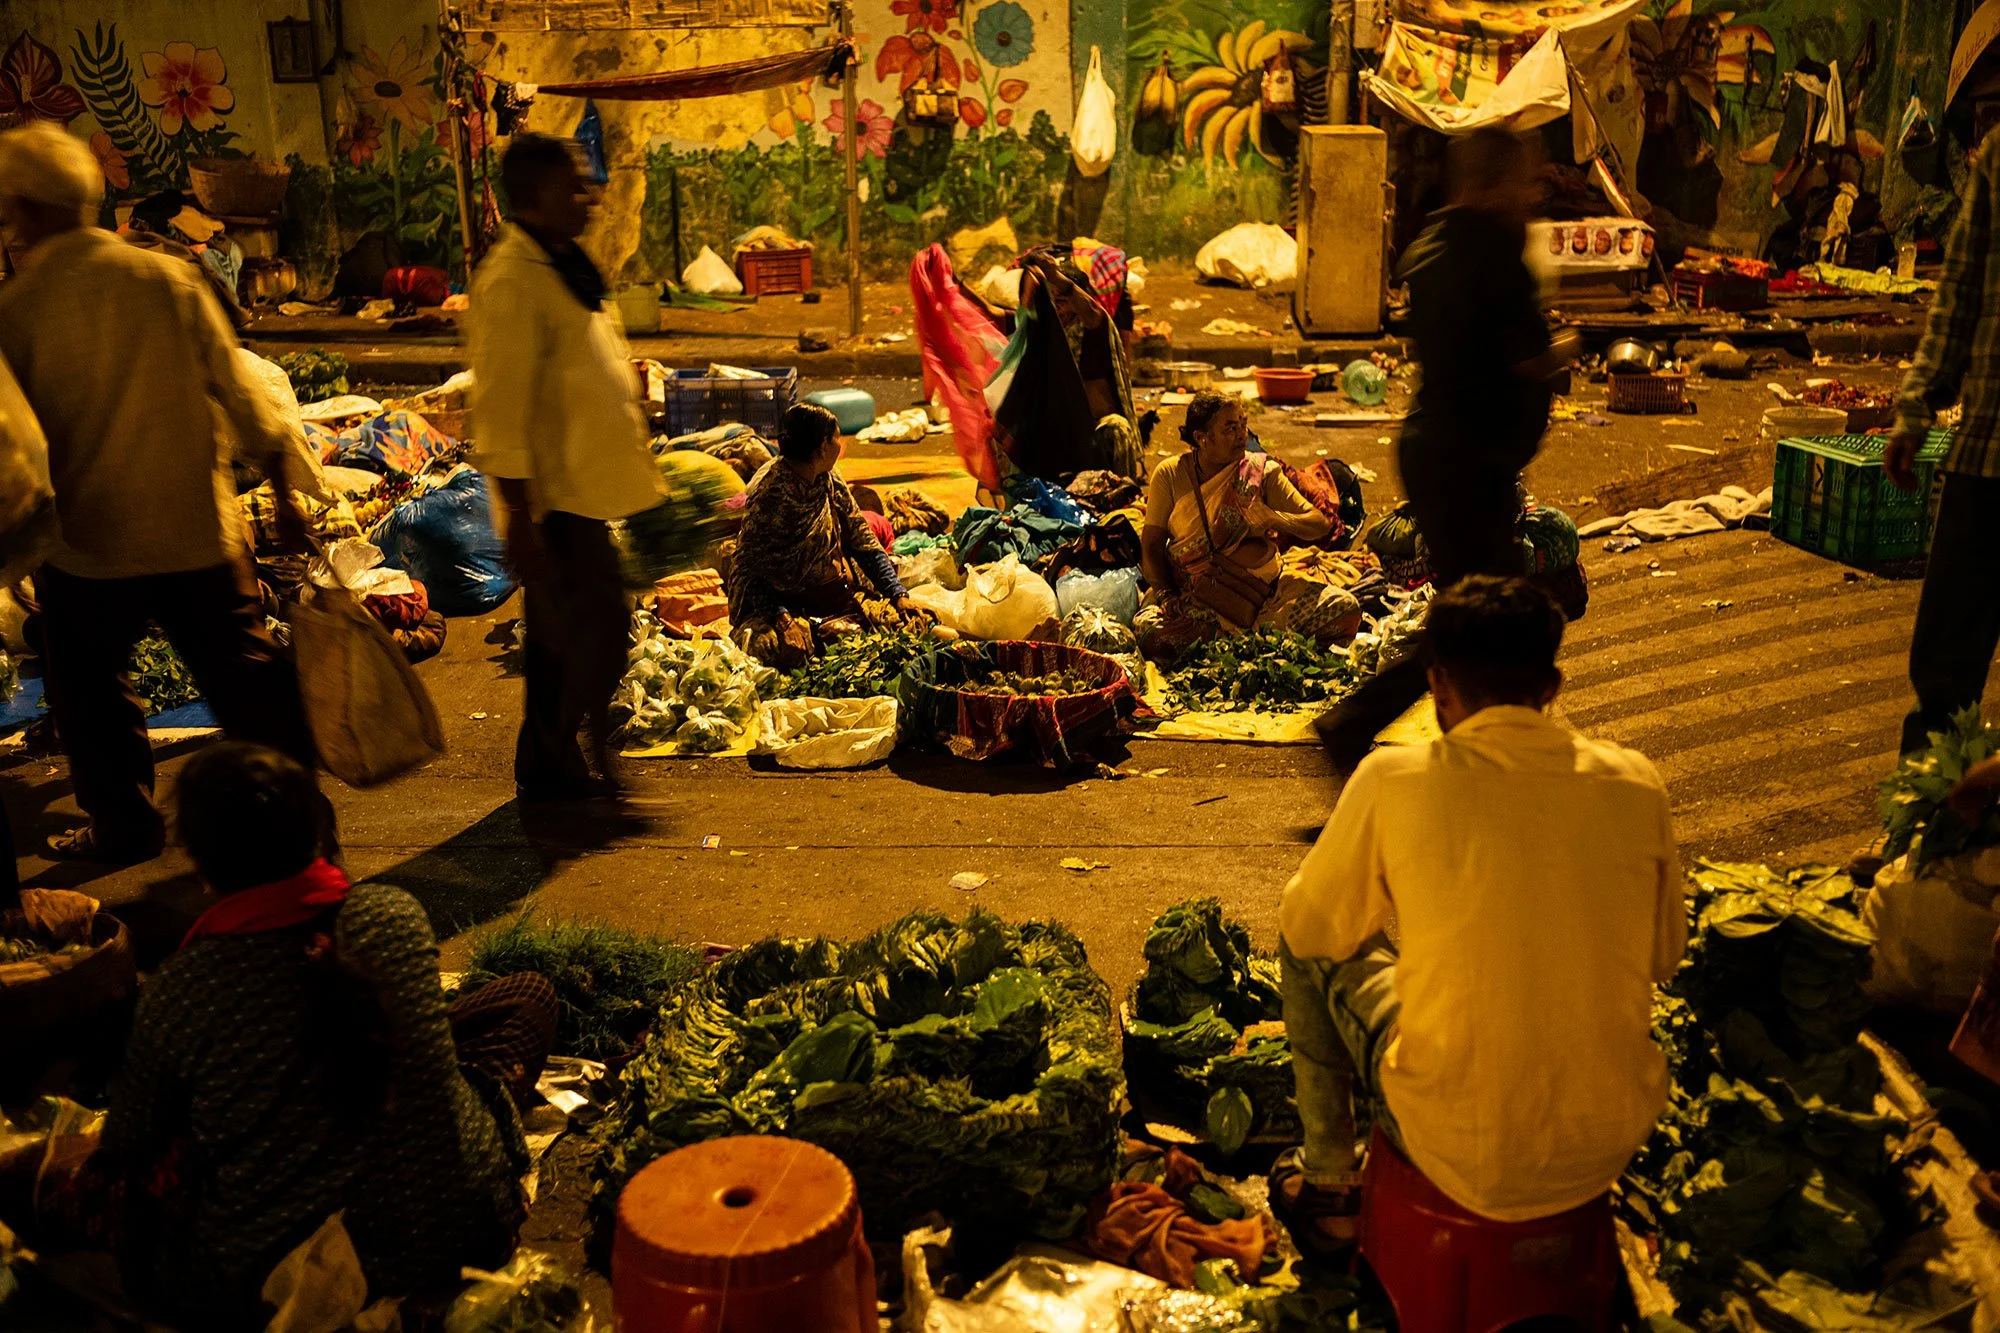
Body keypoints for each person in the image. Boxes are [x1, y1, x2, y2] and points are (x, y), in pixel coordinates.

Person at [72, 742, 556, 1328]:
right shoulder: (392, 916)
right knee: (526, 996)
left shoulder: (183, 988)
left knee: (132, 1208)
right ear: (316, 830)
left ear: (200, 864)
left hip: (286, 1268)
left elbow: (128, 1145)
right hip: (467, 1223)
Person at [1272, 577, 1682, 1251]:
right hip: (1607, 1142)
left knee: (1306, 927)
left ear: (1437, 686)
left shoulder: (1393, 780)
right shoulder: (1636, 783)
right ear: (1551, 686)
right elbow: (1664, 957)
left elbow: (1312, 926)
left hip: (1452, 1139)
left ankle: (1330, 1185)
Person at [0, 124, 315, 863]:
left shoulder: (16, 312)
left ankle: (126, 828)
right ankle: (300, 828)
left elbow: (12, 451)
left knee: (91, 701)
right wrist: (287, 493)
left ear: (26, 209)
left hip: (88, 548)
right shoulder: (167, 279)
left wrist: (17, 550)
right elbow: (240, 389)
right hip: (196, 533)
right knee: (251, 688)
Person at [1314, 128, 1579, 771]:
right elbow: (1526, 359)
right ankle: (1368, 723)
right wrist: (1575, 346)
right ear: (1490, 186)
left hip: (1442, 451)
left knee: (1476, 608)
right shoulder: (1491, 255)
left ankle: (1453, 731)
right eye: (1521, 181)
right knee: (1488, 613)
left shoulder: (1436, 244)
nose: (1531, 194)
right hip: (1466, 459)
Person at [467, 133, 667, 801]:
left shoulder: (560, 263)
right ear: (533, 198)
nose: (589, 196)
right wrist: (518, 517)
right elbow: (499, 408)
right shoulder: (511, 279)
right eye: (573, 185)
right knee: (590, 635)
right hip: (553, 503)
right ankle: (558, 767)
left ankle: (552, 762)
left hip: (585, 492)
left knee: (576, 638)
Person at [1886, 128, 2000, 758]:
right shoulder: (1999, 158)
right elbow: (1960, 294)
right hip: (1985, 457)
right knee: (1943, 682)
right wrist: (1916, 405)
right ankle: (1924, 840)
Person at [1136, 391, 1331, 655]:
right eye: (1230, 429)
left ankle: (1239, 642)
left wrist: (1275, 518)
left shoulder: (1260, 472)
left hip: (1264, 598)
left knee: (1343, 609)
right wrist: (1165, 596)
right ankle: (1243, 643)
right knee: (1154, 636)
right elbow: (1150, 547)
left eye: (1243, 424)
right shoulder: (1171, 474)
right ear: (1201, 438)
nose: (1242, 434)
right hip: (1195, 597)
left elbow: (1319, 524)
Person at [728, 402, 919, 667]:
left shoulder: (829, 479)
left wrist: (897, 594)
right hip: (784, 609)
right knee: (770, 648)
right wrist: (784, 621)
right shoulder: (773, 496)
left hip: (837, 600)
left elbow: (863, 541)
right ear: (822, 449)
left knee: (914, 625)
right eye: (838, 438)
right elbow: (753, 570)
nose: (842, 446)